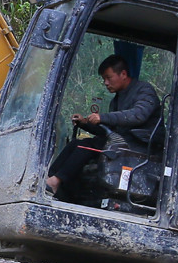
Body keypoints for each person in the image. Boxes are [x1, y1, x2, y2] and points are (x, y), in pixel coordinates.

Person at [45, 54, 162, 198]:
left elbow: (138, 115)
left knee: (86, 146)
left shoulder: (144, 90)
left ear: (123, 74)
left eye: (109, 77)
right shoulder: (117, 100)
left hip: (140, 145)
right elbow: (111, 130)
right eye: (104, 79)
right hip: (121, 142)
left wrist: (103, 117)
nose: (106, 83)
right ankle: (50, 180)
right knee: (76, 144)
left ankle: (56, 181)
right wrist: (85, 123)